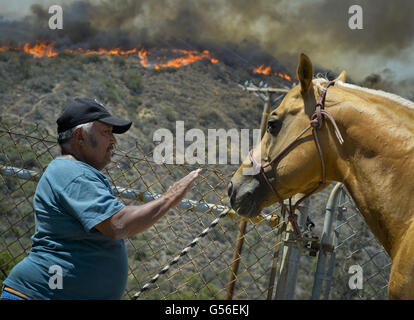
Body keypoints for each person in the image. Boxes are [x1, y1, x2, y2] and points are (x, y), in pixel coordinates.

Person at [1, 98, 201, 300]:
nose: (113, 140)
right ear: (80, 136)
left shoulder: (73, 171)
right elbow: (118, 224)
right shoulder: (71, 171)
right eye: (106, 132)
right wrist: (170, 196)